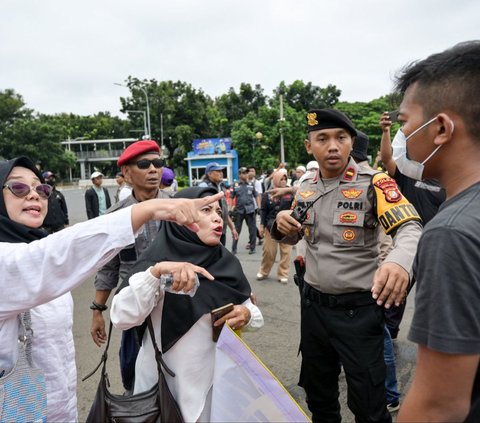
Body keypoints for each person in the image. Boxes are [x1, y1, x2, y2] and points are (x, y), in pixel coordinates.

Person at [0, 155, 224, 422]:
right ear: (126, 173)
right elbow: (58, 257)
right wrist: (149, 211)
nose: (34, 195)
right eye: (18, 188)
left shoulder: (40, 250)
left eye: (42, 188)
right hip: (17, 408)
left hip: (55, 405)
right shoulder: (18, 260)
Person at [272, 108, 423, 423]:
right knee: (319, 397)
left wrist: (398, 263)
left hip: (358, 312)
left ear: (351, 142)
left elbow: (410, 229)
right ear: (308, 145)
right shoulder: (306, 185)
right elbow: (294, 236)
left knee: (369, 404)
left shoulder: (375, 183)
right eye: (322, 138)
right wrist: (281, 225)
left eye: (341, 138)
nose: (332, 146)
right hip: (313, 309)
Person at [110, 186, 264, 422]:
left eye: (218, 210)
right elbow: (122, 317)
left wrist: (246, 314)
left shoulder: (227, 263)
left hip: (216, 385)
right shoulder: (158, 261)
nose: (216, 217)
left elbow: (251, 312)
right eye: (204, 210)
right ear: (179, 218)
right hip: (162, 386)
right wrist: (155, 275)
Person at [392, 41, 480, 423]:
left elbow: (439, 405)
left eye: (404, 123)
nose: (402, 138)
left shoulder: (452, 232)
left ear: (441, 128)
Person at [379, 110, 446, 340]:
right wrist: (387, 131)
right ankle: (390, 331)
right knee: (397, 290)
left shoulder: (446, 179)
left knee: (435, 296)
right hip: (409, 246)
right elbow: (388, 158)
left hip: (437, 248)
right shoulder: (407, 174)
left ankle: (436, 337)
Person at [257, 169, 294, 284]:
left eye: (285, 179)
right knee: (269, 251)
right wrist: (262, 226)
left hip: (287, 226)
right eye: (281, 179)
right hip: (270, 226)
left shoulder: (290, 192)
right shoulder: (268, 193)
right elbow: (263, 211)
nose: (283, 181)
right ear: (275, 179)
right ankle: (264, 271)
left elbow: (295, 208)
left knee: (286, 252)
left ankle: (283, 274)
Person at [198, 162, 238, 246]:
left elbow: (223, 210)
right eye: (218, 171)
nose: (221, 173)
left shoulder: (220, 187)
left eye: (221, 171)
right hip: (209, 230)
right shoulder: (204, 187)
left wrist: (232, 228)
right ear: (210, 174)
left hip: (220, 229)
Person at [231, 167, 258, 255]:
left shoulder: (251, 184)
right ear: (239, 175)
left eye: (246, 173)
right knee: (236, 230)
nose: (245, 174)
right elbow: (231, 197)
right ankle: (234, 249)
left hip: (250, 210)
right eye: (243, 173)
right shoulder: (235, 185)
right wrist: (231, 209)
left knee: (252, 230)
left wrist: (258, 207)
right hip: (239, 211)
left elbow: (256, 195)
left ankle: (252, 248)